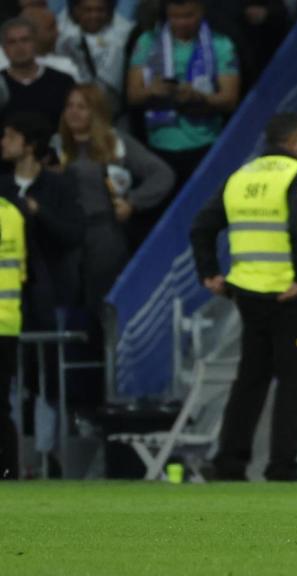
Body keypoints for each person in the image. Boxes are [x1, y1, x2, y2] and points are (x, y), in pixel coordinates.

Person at [189, 113, 297, 482]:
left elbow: (202, 226)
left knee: (251, 379)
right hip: (288, 295)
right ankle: (282, 465)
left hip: (247, 294)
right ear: (295, 141)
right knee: (294, 382)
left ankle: (230, 462)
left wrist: (209, 272)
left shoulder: (241, 177)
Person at [0, 111, 84, 477]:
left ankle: (47, 453)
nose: (3, 143)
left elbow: (74, 235)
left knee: (46, 376)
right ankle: (15, 456)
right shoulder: (1, 186)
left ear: (29, 145)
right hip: (9, 296)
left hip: (46, 291)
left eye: (10, 136)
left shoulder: (58, 186)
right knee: (10, 381)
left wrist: (38, 212)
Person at [58, 83, 174, 314]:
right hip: (64, 235)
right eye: (70, 106)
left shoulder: (115, 142)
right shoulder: (55, 144)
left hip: (104, 233)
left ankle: (106, 350)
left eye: (82, 107)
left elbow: (162, 174)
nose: (74, 112)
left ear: (97, 112)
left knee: (102, 303)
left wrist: (133, 201)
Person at [125, 0, 240, 188]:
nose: (182, 23)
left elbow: (230, 99)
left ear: (201, 11)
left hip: (205, 143)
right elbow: (133, 96)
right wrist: (152, 91)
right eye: (175, 17)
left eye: (188, 16)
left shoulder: (220, 44)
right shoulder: (147, 41)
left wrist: (199, 97)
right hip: (159, 145)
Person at [56, 0, 136, 111]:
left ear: (109, 11)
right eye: (88, 10)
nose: (94, 15)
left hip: (110, 112)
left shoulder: (124, 35)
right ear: (76, 10)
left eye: (100, 10)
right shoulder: (62, 37)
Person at [0, 17, 76, 133]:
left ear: (35, 43)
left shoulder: (62, 82)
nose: (19, 47)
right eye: (12, 42)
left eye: (25, 40)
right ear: (4, 48)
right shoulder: (1, 84)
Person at [0, 190, 27, 481]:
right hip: (7, 322)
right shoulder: (11, 213)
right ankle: (9, 474)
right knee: (2, 406)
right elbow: (21, 271)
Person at [3, 5, 83, 81]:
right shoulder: (2, 66)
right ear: (34, 33)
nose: (57, 32)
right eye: (51, 28)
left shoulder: (64, 68)